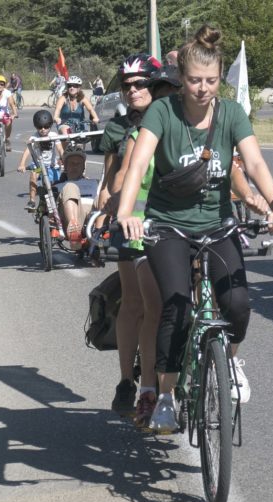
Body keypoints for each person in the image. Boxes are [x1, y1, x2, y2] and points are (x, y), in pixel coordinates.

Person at [117, 24, 273, 432]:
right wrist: (129, 213)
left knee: (238, 304)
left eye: (211, 81)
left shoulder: (230, 113)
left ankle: (229, 359)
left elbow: (256, 163)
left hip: (217, 225)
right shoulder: (163, 112)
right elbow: (138, 164)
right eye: (194, 80)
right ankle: (164, 396)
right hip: (168, 227)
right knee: (175, 306)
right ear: (181, 80)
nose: (202, 88)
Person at [96, 52, 161, 418]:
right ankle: (127, 381)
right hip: (132, 220)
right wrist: (105, 208)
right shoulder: (120, 129)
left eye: (140, 84)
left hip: (174, 222)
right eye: (127, 86)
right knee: (137, 303)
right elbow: (112, 179)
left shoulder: (172, 119)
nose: (132, 90)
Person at [18, 110, 62, 213]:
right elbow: (27, 151)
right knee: (34, 174)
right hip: (38, 165)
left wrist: (63, 158)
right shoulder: (34, 137)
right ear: (36, 126)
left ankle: (58, 203)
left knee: (58, 184)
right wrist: (22, 164)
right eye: (40, 127)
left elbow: (60, 149)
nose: (43, 129)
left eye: (46, 126)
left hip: (52, 165)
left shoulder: (54, 135)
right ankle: (32, 201)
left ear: (50, 125)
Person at [52, 75, 99, 143]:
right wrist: (56, 117)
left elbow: (91, 109)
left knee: (80, 147)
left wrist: (95, 118)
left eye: (75, 86)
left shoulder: (83, 99)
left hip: (80, 125)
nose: (72, 88)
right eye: (69, 86)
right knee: (66, 134)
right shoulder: (63, 98)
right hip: (64, 124)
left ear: (79, 87)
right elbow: (58, 109)